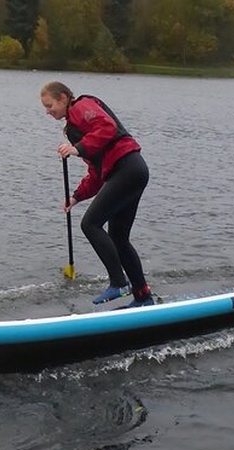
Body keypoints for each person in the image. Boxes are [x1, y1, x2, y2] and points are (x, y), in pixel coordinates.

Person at [40, 81, 154, 308]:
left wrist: (78, 148)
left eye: (50, 105)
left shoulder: (82, 106)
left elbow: (108, 127)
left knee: (90, 224)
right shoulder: (73, 128)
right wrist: (76, 197)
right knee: (119, 239)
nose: (47, 111)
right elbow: (96, 170)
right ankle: (143, 298)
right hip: (126, 173)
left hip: (128, 169)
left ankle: (119, 282)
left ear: (63, 98)